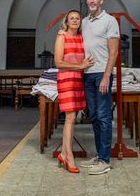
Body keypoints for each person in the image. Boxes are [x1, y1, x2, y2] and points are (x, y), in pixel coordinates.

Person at [79, 0, 120, 175]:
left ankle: (105, 160)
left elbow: (114, 51)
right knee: (94, 116)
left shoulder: (109, 21)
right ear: (86, 0)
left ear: (101, 1)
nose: (92, 0)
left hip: (101, 74)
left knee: (104, 117)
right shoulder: (85, 22)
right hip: (87, 74)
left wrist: (106, 75)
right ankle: (99, 155)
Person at [54, 10, 94, 173]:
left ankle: (63, 154)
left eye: (78, 18)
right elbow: (58, 62)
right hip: (67, 79)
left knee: (73, 118)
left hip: (79, 79)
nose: (75, 20)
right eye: (72, 18)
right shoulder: (61, 37)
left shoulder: (82, 38)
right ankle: (69, 156)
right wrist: (79, 66)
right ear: (67, 21)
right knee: (70, 117)